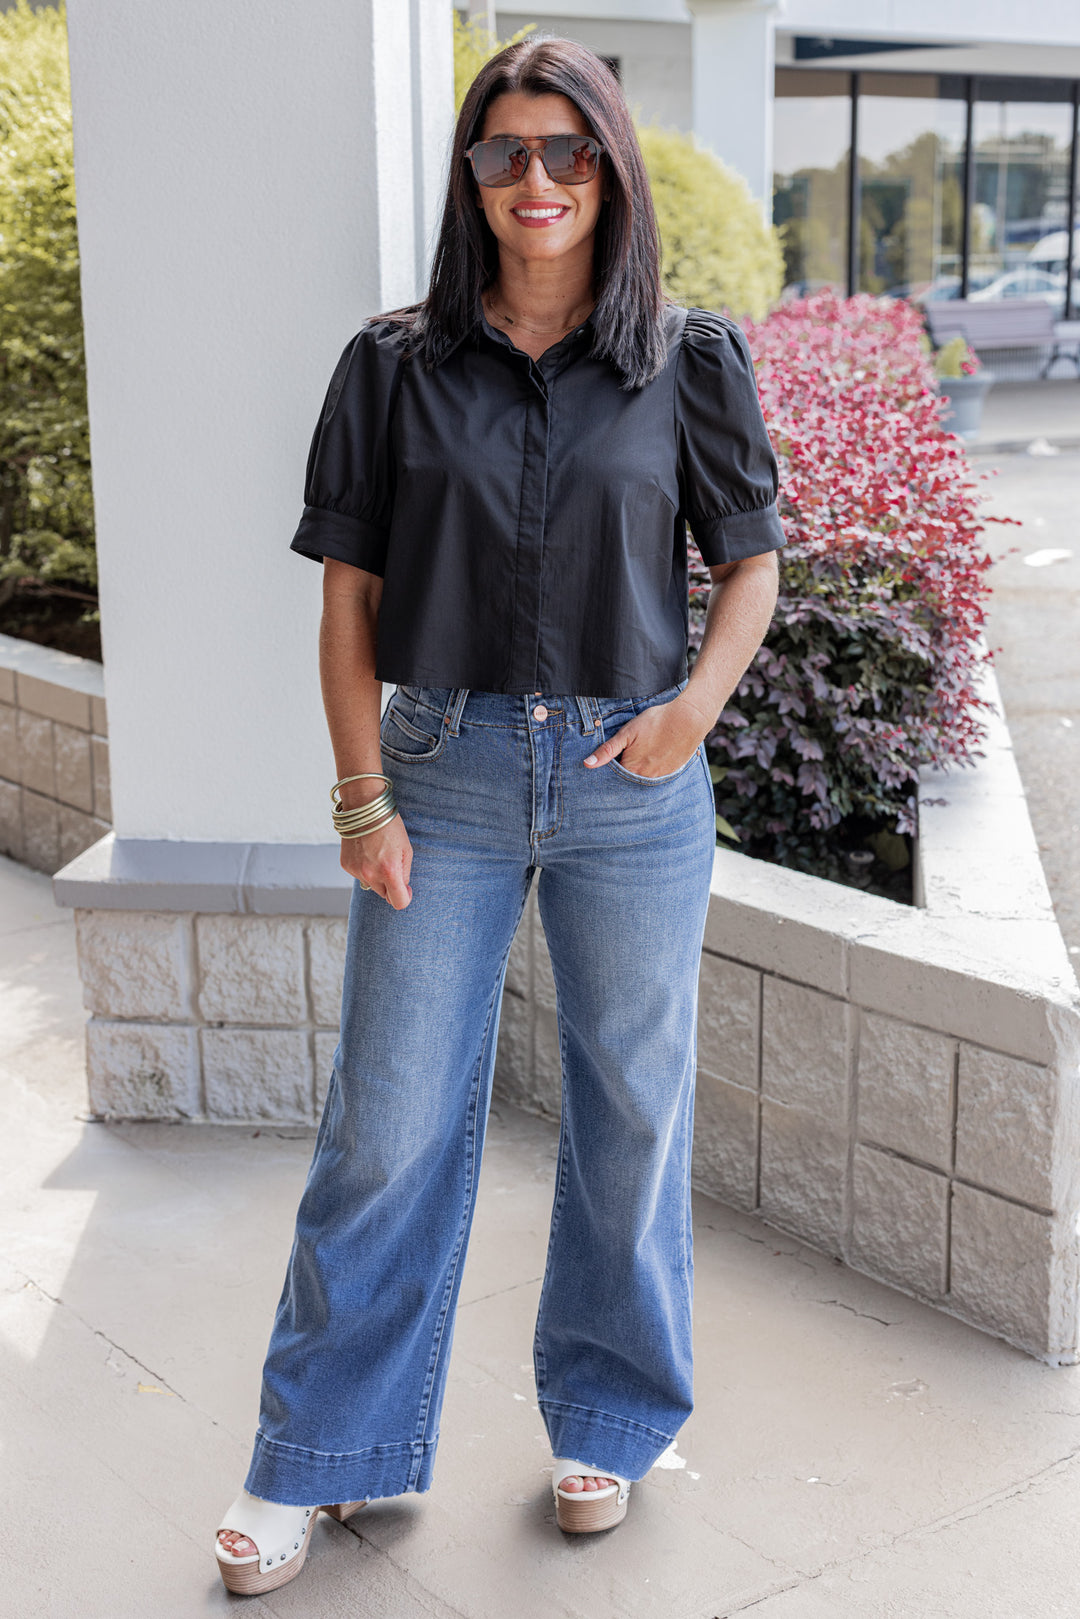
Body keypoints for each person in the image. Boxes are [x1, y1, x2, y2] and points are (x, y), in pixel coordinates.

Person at [214, 34, 785, 1596]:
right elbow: (350, 602)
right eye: (504, 152)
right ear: (471, 177)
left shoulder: (685, 359)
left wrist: (690, 714)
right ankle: (314, 1457)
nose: (537, 179)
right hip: (444, 773)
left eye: (567, 150)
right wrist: (362, 798)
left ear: (610, 170)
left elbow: (751, 565)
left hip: (631, 781)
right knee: (386, 1124)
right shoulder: (393, 365)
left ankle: (610, 1418)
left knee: (633, 1114)